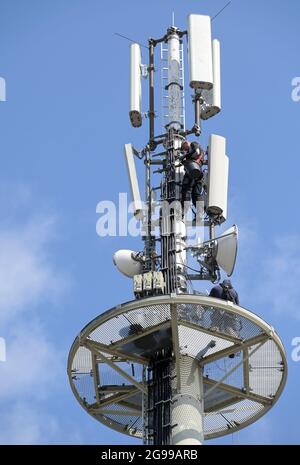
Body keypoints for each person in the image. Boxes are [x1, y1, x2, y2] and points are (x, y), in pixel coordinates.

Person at [209, 280, 242, 352]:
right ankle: (235, 343)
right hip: (230, 315)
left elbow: (209, 301)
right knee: (229, 328)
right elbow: (237, 307)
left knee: (215, 325)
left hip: (218, 312)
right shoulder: (234, 292)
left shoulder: (216, 288)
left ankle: (212, 340)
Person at [180, 140, 206, 222]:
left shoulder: (193, 144)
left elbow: (199, 152)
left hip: (192, 172)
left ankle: (182, 211)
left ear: (185, 143)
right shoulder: (188, 155)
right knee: (196, 194)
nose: (184, 149)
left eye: (183, 147)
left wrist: (197, 160)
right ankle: (200, 213)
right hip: (198, 175)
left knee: (186, 190)